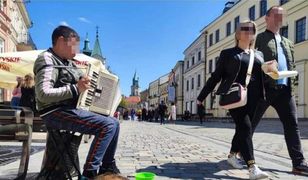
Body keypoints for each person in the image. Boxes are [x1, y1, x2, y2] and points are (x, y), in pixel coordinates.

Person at [33, 25, 120, 179]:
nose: (77, 50)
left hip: (68, 110)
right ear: (61, 41)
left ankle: (107, 166)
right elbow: (43, 94)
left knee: (114, 122)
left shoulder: (68, 62)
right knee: (107, 125)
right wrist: (75, 88)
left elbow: (82, 84)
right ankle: (90, 173)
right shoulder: (47, 58)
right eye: (74, 45)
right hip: (54, 112)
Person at [197, 21, 268, 179]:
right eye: (244, 28)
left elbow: (262, 77)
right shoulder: (228, 53)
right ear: (237, 33)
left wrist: (271, 69)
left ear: (254, 34)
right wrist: (202, 96)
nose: (248, 31)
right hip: (235, 96)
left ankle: (231, 156)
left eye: (252, 29)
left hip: (255, 98)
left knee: (242, 130)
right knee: (245, 127)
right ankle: (252, 167)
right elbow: (216, 77)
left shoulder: (259, 55)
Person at [253, 6, 308, 175]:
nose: (279, 18)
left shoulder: (288, 42)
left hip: (285, 90)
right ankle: (239, 152)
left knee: (292, 125)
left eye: (281, 15)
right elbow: (253, 61)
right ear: (266, 18)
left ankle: (298, 164)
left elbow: (290, 65)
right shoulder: (260, 38)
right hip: (265, 88)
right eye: (276, 15)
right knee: (250, 122)